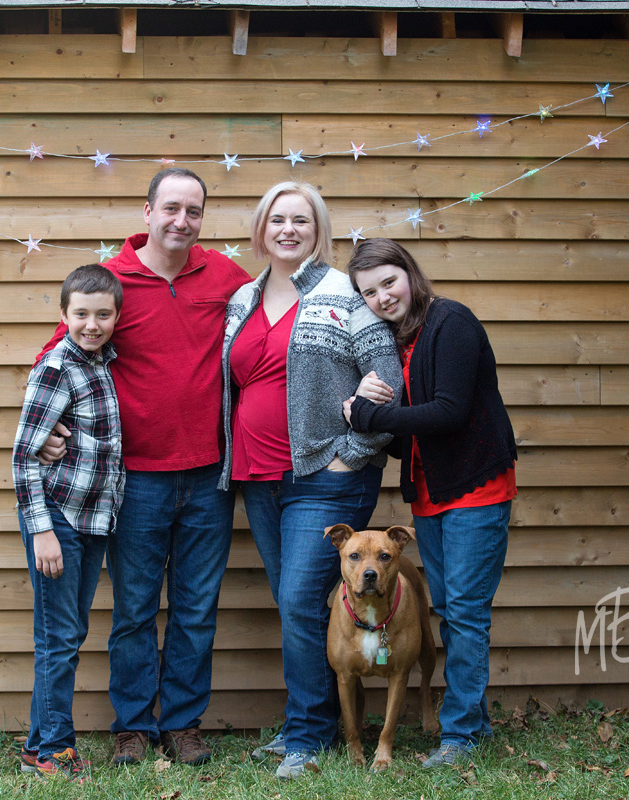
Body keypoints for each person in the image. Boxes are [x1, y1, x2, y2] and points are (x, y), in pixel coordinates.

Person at [35, 169, 251, 765]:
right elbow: (59, 350)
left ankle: (182, 723)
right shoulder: (115, 281)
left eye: (194, 211)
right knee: (133, 609)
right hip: (135, 479)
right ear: (148, 210)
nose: (182, 221)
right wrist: (54, 430)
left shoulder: (226, 277)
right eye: (171, 208)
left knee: (195, 607)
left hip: (211, 475)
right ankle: (132, 725)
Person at [219, 182, 403, 779]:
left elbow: (386, 380)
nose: (289, 230)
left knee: (298, 602)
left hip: (326, 479)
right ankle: (317, 723)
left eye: (302, 220)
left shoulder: (344, 293)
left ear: (318, 229)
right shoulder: (242, 299)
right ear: (261, 228)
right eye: (278, 220)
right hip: (259, 475)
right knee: (296, 606)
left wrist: (351, 454)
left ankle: (304, 736)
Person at [343, 238, 518, 768]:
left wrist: (370, 417)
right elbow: (411, 434)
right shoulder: (403, 343)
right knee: (450, 610)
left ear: (410, 274)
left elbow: (448, 414)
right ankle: (475, 726)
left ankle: (460, 735)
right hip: (429, 494)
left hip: (475, 489)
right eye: (368, 293)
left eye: (388, 282)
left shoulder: (452, 322)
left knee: (464, 613)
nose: (382, 297)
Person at [12, 264, 125, 778]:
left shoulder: (100, 364)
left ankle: (38, 743)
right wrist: (40, 530)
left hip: (91, 520)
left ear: (117, 316)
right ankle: (56, 749)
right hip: (57, 519)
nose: (92, 324)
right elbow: (23, 456)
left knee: (67, 631)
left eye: (103, 314)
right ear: (64, 315)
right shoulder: (58, 366)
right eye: (81, 314)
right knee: (59, 637)